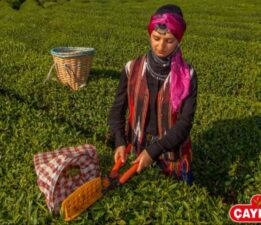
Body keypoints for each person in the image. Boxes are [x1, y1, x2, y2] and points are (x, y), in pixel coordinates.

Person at [108, 4, 197, 185]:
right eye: (156, 38)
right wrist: (119, 141)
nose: (161, 46)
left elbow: (185, 123)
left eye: (169, 40)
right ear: (150, 34)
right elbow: (118, 108)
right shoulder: (131, 68)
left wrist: (153, 151)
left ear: (179, 40)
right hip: (136, 146)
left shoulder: (188, 75)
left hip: (170, 150)